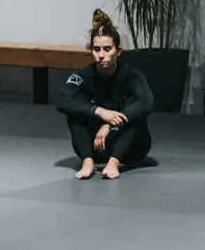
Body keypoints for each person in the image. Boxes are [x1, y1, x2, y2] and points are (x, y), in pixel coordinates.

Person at [57, 11, 154, 182]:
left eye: (107, 49)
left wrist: (110, 123)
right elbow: (62, 100)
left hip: (131, 148)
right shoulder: (84, 76)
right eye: (96, 49)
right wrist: (98, 111)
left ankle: (114, 162)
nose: (101, 55)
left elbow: (147, 102)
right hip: (96, 147)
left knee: (135, 107)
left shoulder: (132, 76)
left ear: (118, 51)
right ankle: (87, 162)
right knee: (75, 106)